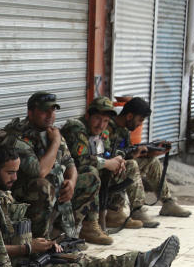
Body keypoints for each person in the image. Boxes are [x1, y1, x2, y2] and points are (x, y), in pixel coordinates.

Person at [0, 146, 181, 267]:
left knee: (82, 259)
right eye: (10, 172)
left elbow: (11, 232)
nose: (15, 178)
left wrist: (40, 244)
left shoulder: (2, 195)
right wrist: (28, 247)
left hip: (29, 255)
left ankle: (141, 261)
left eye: (17, 171)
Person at [0, 91, 110, 245]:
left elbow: (70, 162)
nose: (50, 115)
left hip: (54, 188)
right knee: (44, 186)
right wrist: (55, 142)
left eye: (53, 110)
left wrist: (71, 182)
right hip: (22, 193)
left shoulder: (51, 132)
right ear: (30, 112)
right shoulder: (18, 137)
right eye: (44, 111)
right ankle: (40, 240)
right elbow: (39, 171)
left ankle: (61, 234)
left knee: (91, 177)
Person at [61, 96, 158, 229]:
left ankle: (114, 213)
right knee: (92, 172)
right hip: (68, 177)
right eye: (98, 119)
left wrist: (119, 159)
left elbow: (107, 151)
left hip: (91, 175)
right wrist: (107, 163)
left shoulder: (102, 131)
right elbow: (80, 160)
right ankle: (89, 225)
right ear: (88, 115)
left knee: (128, 166)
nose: (101, 125)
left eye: (105, 120)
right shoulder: (76, 128)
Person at [107, 97, 191, 217]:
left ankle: (167, 202)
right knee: (132, 164)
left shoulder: (124, 131)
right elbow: (106, 156)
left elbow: (127, 151)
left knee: (153, 161)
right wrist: (132, 155)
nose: (140, 124)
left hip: (120, 169)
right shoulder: (107, 128)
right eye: (140, 120)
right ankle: (137, 209)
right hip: (107, 172)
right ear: (129, 116)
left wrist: (151, 152)